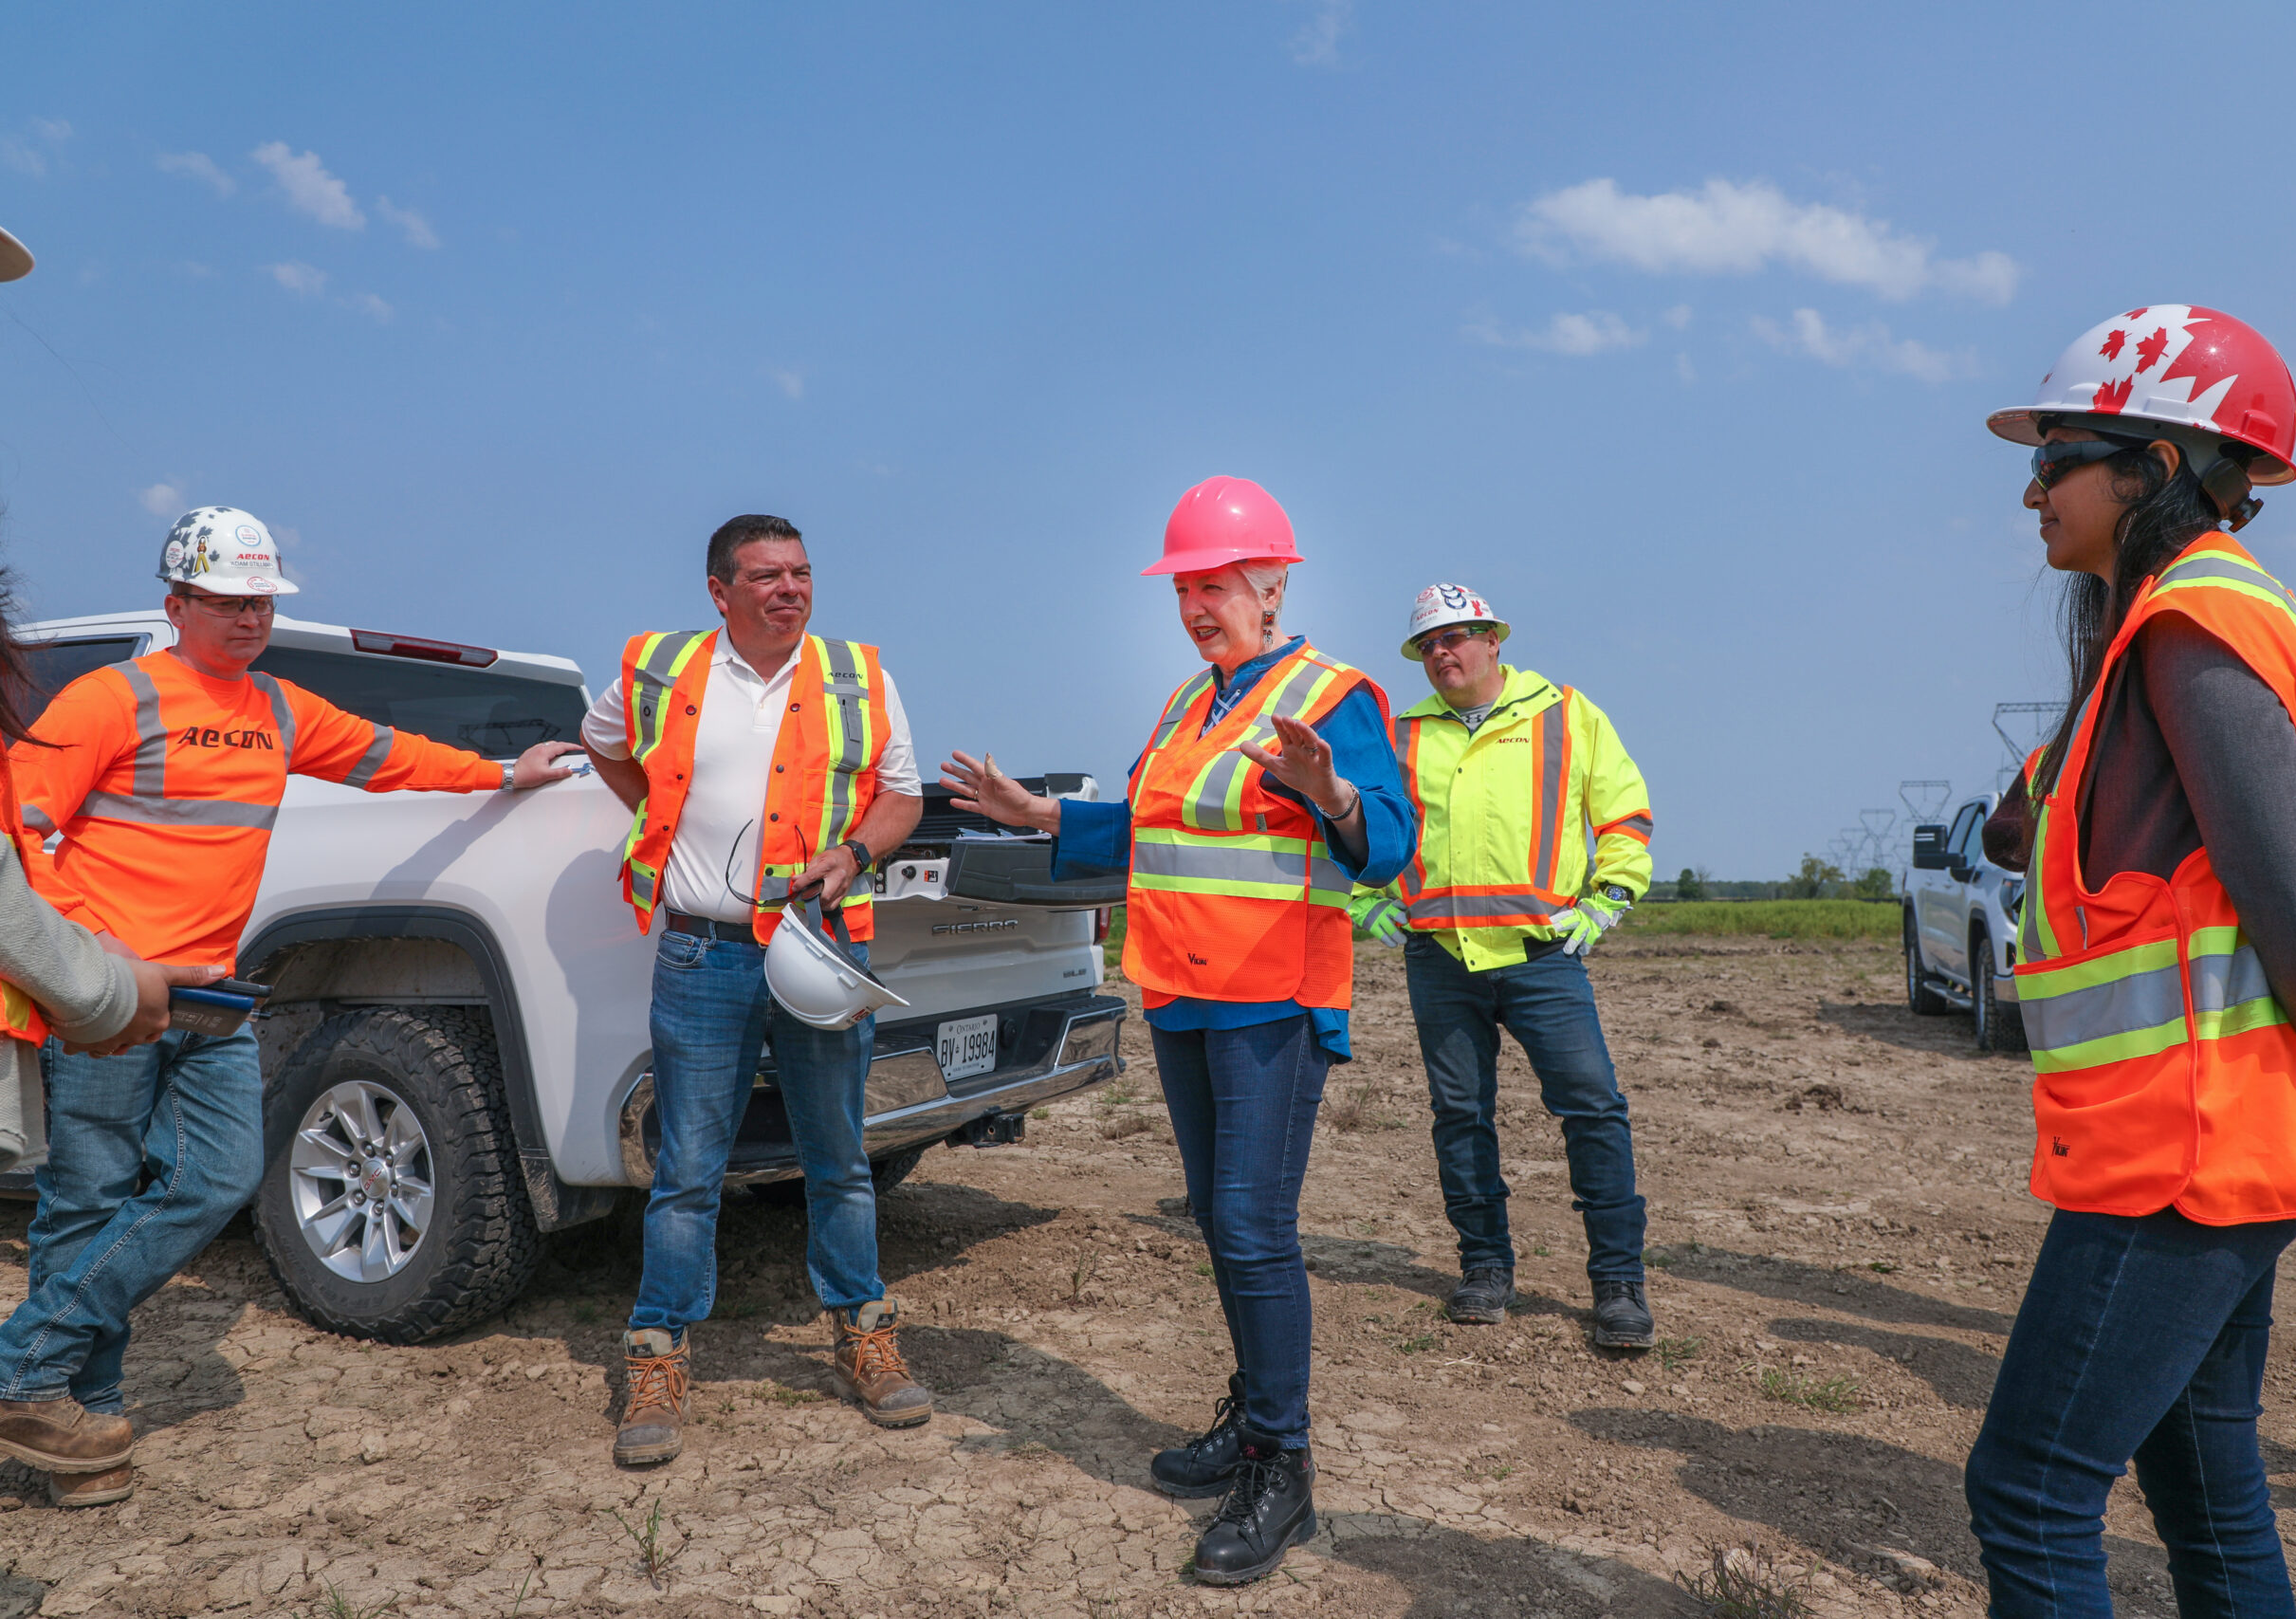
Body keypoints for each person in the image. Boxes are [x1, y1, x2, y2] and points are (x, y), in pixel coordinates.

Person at [1959, 305, 2296, 1618]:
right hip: (2205, 1138)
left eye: (2063, 456)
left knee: (2031, 1485)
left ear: (2158, 468)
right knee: (2205, 1480)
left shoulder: (2193, 624)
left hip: (2191, 1144)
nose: (2035, 486)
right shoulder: (2167, 622)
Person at [0, 506, 579, 1508]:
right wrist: (100, 955)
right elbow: (26, 836)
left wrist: (498, 771)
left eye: (261, 601)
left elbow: (389, 755)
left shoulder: (278, 708)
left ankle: (21, 1368)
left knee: (219, 1179)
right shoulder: (110, 699)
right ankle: (79, 1434)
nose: (248, 618)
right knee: (86, 1204)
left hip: (212, 997)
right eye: (227, 601)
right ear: (176, 603)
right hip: (113, 1001)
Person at [941, 475, 1413, 1587]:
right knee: (1215, 1216)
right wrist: (1044, 815)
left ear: (1273, 582)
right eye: (1186, 588)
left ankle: (1283, 1469)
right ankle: (1252, 1421)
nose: (1199, 605)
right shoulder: (1188, 703)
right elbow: (1156, 821)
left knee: (1253, 1225)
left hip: (1272, 998)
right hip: (1184, 995)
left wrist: (1331, 794)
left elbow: (1387, 843)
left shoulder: (1332, 696)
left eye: (1217, 585)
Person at [581, 514, 930, 1466]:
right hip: (703, 955)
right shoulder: (658, 670)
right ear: (719, 591)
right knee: (688, 1168)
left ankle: (865, 1333)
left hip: (817, 949)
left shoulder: (860, 677)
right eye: (768, 575)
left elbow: (903, 796)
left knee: (840, 1158)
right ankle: (657, 1353)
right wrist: (658, 813)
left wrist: (855, 851)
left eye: (802, 572)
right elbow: (602, 742)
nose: (790, 588)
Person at [1346, 583, 1657, 1349]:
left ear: (1493, 638)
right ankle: (1484, 1269)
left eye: (1455, 638)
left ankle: (1619, 1285)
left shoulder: (1566, 713)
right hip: (1440, 958)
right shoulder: (1399, 734)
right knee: (1460, 1116)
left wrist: (1606, 900)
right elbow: (1361, 828)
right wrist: (1367, 903)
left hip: (1544, 958)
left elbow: (1623, 813)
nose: (1441, 654)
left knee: (1593, 1108)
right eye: (1428, 646)